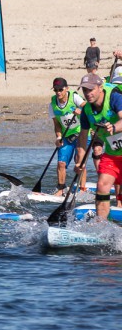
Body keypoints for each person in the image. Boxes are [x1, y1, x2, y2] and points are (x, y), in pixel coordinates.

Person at [74, 73, 122, 222]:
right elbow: (82, 138)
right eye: (85, 90)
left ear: (100, 88)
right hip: (113, 154)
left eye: (91, 89)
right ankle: (101, 225)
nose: (88, 93)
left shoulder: (115, 97)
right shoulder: (86, 111)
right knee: (101, 185)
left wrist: (114, 127)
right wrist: (80, 162)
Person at [49, 77, 87, 197]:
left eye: (60, 89)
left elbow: (88, 107)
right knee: (61, 163)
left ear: (67, 89)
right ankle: (61, 189)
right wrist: (58, 137)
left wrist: (81, 110)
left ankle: (82, 189)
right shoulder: (52, 104)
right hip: (66, 136)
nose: (58, 92)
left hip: (81, 133)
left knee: (79, 161)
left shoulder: (74, 97)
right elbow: (57, 125)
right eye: (56, 90)